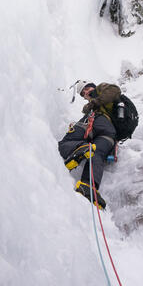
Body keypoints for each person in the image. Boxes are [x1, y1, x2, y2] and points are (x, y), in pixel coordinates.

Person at [58, 80, 121, 210]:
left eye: (86, 89)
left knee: (64, 144)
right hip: (109, 133)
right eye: (83, 93)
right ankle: (88, 186)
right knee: (96, 152)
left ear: (92, 86)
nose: (86, 93)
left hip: (95, 120)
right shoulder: (99, 103)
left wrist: (93, 104)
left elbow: (115, 89)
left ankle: (78, 149)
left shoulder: (101, 89)